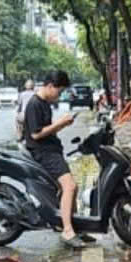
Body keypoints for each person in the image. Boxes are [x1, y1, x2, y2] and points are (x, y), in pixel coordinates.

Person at [23, 70, 86, 248]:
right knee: (70, 186)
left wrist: (62, 124)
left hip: (52, 150)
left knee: (71, 187)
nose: (59, 96)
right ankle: (67, 231)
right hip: (44, 153)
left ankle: (70, 225)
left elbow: (47, 129)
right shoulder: (35, 104)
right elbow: (36, 135)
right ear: (50, 86)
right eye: (59, 91)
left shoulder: (44, 103)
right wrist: (61, 123)